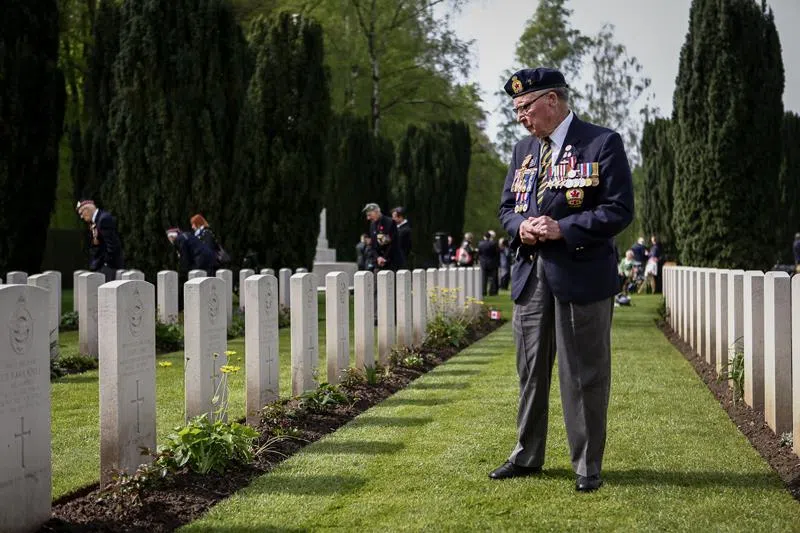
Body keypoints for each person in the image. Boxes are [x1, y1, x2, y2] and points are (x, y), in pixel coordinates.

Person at [493, 67, 634, 492]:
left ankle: (587, 465)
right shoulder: (522, 151)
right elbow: (506, 208)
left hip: (580, 273)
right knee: (531, 370)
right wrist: (521, 226)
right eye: (516, 109)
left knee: (583, 372)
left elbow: (619, 209)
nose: (521, 116)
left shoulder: (601, 142)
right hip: (530, 276)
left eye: (525, 107)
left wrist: (563, 229)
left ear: (552, 100)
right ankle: (526, 455)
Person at [76, 200, 125, 282]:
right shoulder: (95, 221)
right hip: (100, 265)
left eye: (81, 213)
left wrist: (105, 264)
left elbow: (112, 245)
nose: (81, 217)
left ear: (87, 209)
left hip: (109, 267)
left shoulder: (104, 219)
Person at [363, 203, 400, 272]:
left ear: (376, 212)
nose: (368, 218)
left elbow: (392, 243)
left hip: (391, 261)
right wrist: (378, 257)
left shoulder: (389, 222)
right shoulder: (372, 225)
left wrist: (384, 258)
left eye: (370, 215)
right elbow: (373, 245)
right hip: (378, 263)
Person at [477, 231, 500, 296]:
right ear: (490, 237)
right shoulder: (494, 243)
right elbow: (497, 253)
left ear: (484, 237)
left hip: (483, 263)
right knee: (492, 278)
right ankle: (492, 292)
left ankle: (483, 291)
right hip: (492, 262)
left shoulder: (480, 244)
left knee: (484, 278)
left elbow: (479, 253)